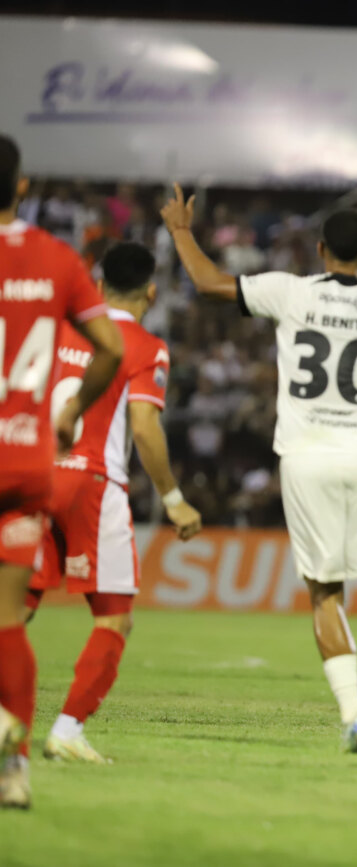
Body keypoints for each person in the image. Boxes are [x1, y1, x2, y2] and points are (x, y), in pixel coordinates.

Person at [160, 185, 357, 757]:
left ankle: (354, 715)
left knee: (325, 591)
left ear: (320, 249)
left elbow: (206, 282)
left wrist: (181, 229)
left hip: (305, 459)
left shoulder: (289, 292)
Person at [25, 242, 202, 764]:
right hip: (93, 486)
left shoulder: (60, 329)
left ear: (98, 287)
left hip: (37, 478)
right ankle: (66, 730)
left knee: (18, 605)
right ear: (151, 292)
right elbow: (144, 428)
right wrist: (173, 498)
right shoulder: (145, 346)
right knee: (114, 618)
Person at [0, 133, 124, 808]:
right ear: (22, 188)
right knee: (6, 623)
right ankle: (13, 770)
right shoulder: (54, 257)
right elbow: (107, 345)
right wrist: (72, 407)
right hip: (23, 458)